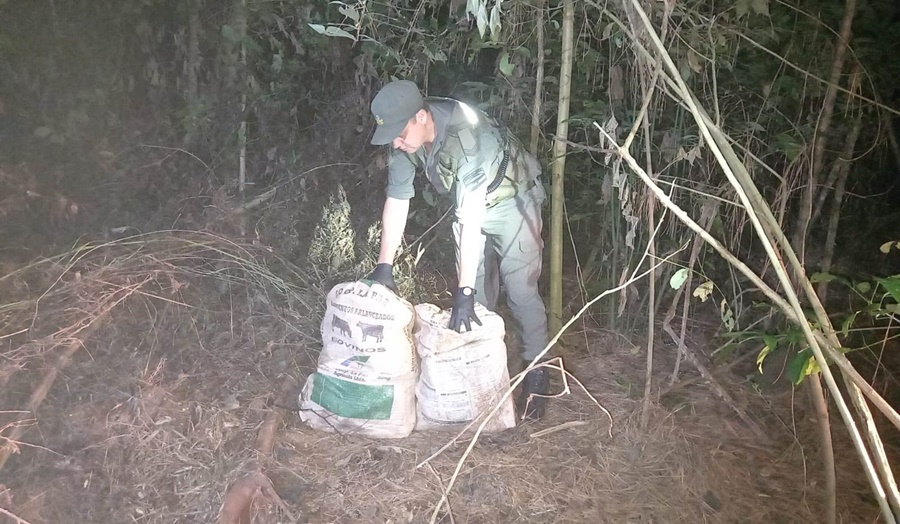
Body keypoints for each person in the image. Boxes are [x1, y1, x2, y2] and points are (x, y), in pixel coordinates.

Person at [365, 80, 550, 420]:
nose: (396, 142)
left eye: (400, 133)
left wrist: (460, 291)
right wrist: (384, 267)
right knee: (478, 300)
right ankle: (485, 374)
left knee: (520, 291)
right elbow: (397, 198)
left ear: (421, 117)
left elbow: (471, 220)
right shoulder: (405, 139)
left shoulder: (470, 139)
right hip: (471, 205)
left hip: (514, 202)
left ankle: (537, 371)